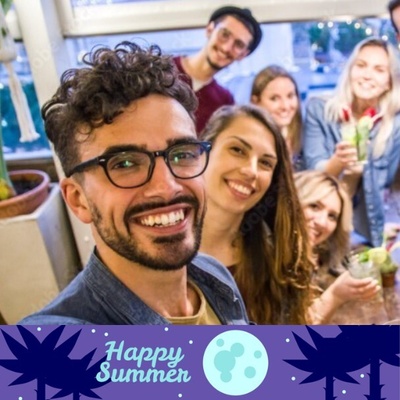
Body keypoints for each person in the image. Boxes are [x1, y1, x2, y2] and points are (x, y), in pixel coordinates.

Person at [19, 41, 249, 325]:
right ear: (78, 199)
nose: (167, 187)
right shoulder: (51, 340)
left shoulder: (216, 276)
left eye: (182, 154)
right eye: (125, 164)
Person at [199, 104, 315, 324]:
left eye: (265, 163)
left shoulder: (275, 263)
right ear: (204, 151)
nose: (251, 171)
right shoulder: (157, 247)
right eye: (237, 150)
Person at [302, 37, 400, 248]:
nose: (367, 75)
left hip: (367, 233)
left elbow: (387, 188)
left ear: (389, 82)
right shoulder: (319, 109)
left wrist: (386, 225)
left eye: (379, 70)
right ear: (350, 71)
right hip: (319, 227)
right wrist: (338, 163)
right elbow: (312, 177)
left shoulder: (393, 126)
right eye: (361, 65)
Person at [294, 170, 381, 324]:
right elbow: (287, 334)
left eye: (332, 216)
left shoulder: (316, 260)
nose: (322, 222)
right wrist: (335, 295)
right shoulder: (268, 258)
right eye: (314, 206)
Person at [174, 6, 262, 134]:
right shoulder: (162, 69)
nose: (226, 48)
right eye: (224, 34)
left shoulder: (225, 103)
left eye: (238, 44)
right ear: (210, 29)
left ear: (243, 54)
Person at [250, 65, 303, 170]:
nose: (285, 106)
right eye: (274, 99)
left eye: (290, 96)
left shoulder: (302, 135)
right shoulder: (248, 143)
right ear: (255, 102)